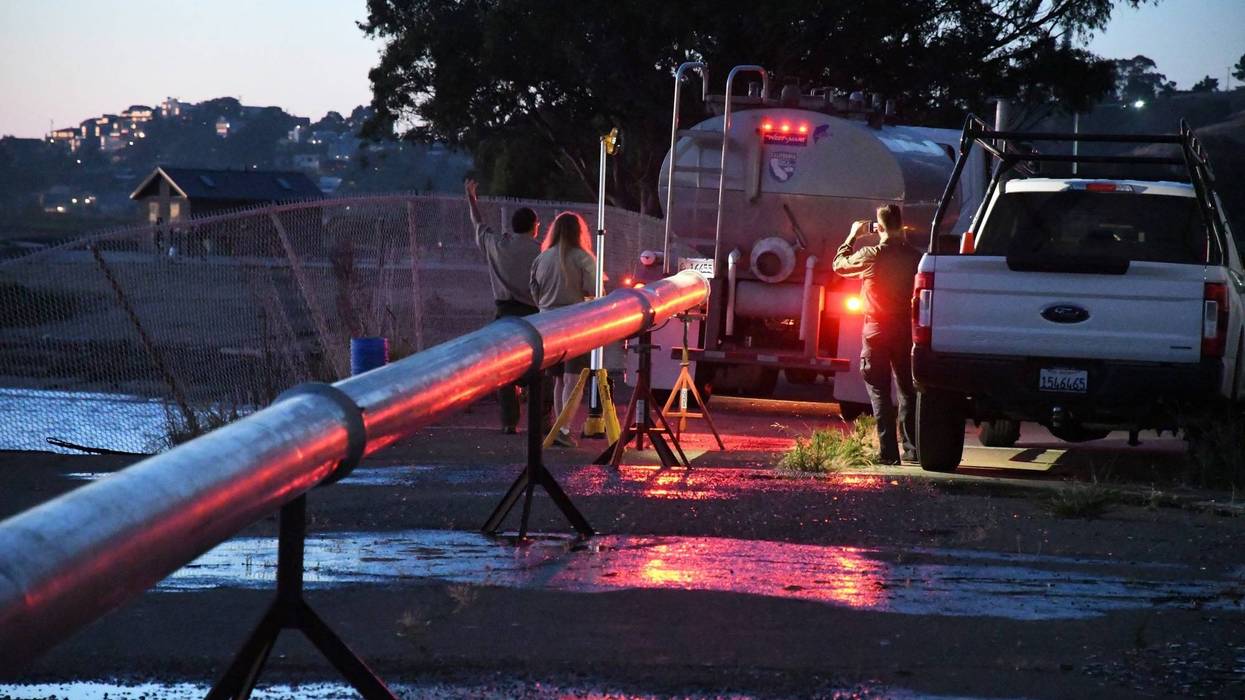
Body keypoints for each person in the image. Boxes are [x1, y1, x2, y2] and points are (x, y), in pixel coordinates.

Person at [832, 204, 922, 465]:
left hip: (876, 330)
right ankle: (913, 449)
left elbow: (839, 266)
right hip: (906, 331)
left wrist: (852, 236)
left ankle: (888, 453)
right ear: (902, 227)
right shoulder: (915, 258)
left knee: (880, 392)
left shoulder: (870, 254)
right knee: (908, 390)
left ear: (879, 228)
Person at [465, 178, 546, 434]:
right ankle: (541, 421)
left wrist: (471, 199)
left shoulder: (498, 246)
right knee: (539, 368)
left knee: (504, 370)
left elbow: (479, 225)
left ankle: (509, 421)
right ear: (535, 227)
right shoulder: (541, 252)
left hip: (504, 314)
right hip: (534, 315)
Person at [530, 211, 597, 447]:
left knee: (558, 378)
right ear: (580, 232)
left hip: (546, 324)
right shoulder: (583, 258)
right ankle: (564, 429)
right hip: (575, 323)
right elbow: (594, 290)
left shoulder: (543, 258)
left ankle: (560, 427)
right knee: (574, 379)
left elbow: (534, 290)